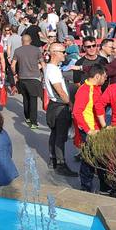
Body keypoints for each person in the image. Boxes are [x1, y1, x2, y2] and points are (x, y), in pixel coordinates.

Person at [71, 63, 107, 188]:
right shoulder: (85, 90)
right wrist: (88, 130)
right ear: (97, 76)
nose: (105, 79)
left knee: (96, 159)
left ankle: (101, 186)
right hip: (90, 130)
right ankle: (86, 186)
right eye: (104, 77)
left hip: (95, 129)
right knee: (89, 160)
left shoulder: (95, 88)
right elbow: (76, 112)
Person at [42, 42, 72, 176]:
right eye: (62, 52)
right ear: (54, 53)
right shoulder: (53, 70)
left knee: (55, 134)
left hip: (54, 106)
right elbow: (60, 91)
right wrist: (69, 103)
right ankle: (61, 164)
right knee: (60, 136)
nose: (65, 54)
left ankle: (53, 159)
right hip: (59, 106)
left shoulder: (51, 68)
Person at [12, 32, 43, 128]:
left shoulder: (17, 51)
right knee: (33, 100)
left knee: (25, 99)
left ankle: (27, 117)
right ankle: (34, 122)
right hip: (34, 78)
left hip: (22, 78)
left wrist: (15, 74)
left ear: (22, 41)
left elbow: (13, 65)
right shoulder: (37, 50)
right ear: (30, 41)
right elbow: (43, 63)